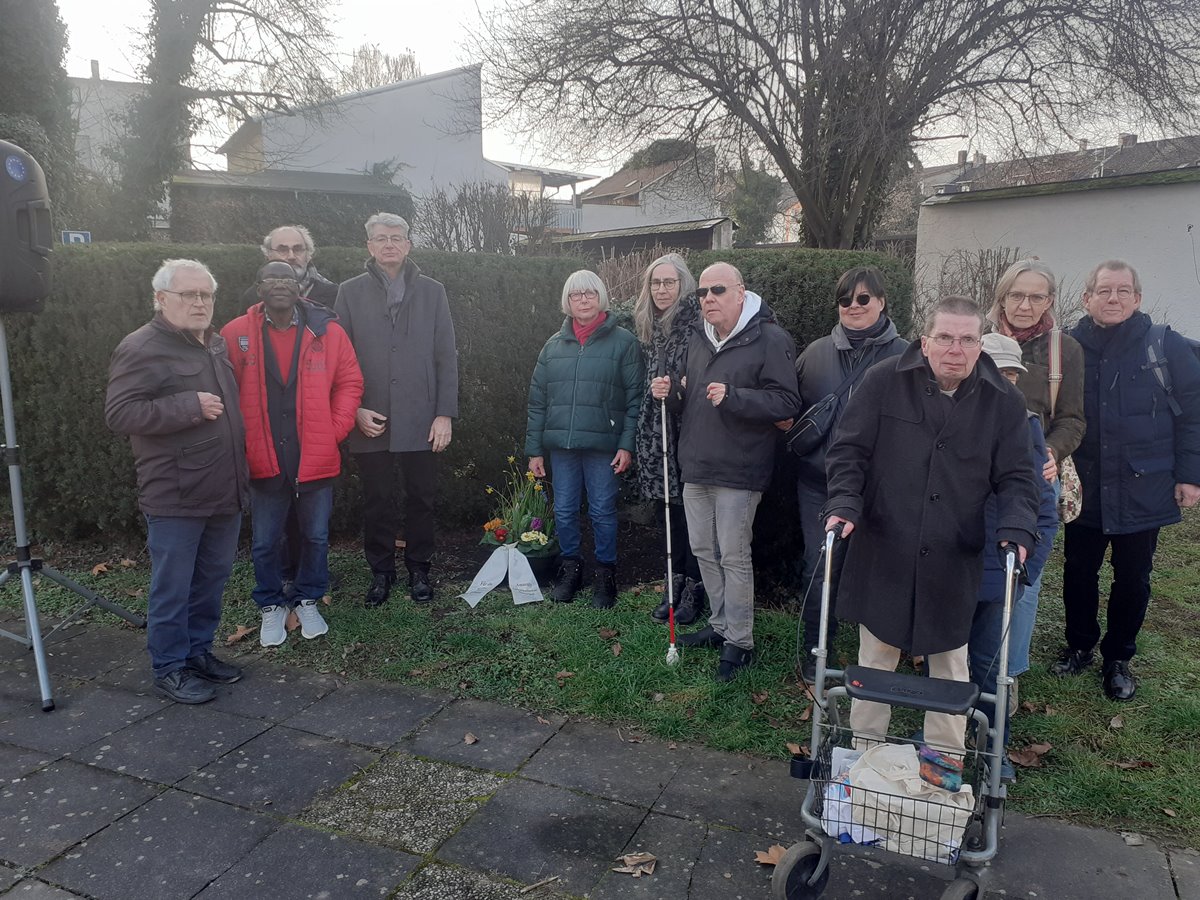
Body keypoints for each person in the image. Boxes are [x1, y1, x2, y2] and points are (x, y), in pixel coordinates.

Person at [824, 296, 1037, 759]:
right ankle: (864, 759)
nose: (955, 349)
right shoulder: (884, 381)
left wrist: (1018, 528)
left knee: (950, 664)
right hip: (885, 543)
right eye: (945, 337)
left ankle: (943, 765)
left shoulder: (1004, 401)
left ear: (980, 346)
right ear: (926, 342)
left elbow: (1019, 476)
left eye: (966, 339)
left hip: (953, 551)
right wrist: (844, 502)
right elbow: (848, 452)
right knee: (875, 657)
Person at [1053, 260, 1200, 701]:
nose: (1112, 298)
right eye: (1103, 291)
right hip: (1086, 485)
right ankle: (1080, 646)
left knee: (1133, 577)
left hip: (1144, 484)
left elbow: (1193, 414)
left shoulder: (1164, 345)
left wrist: (1191, 476)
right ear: (1087, 298)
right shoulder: (1068, 346)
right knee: (1079, 571)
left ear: (1137, 298)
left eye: (1122, 291)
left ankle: (1119, 657)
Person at [105, 259, 250, 705]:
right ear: (161, 299)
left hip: (223, 490)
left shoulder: (216, 345)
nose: (200, 302)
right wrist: (187, 405)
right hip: (175, 494)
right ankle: (169, 667)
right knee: (173, 585)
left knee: (211, 578)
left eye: (206, 294)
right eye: (189, 294)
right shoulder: (141, 347)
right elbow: (120, 414)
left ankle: (198, 653)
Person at [650, 263, 799, 681]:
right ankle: (720, 626)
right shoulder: (700, 337)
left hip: (740, 468)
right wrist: (673, 394)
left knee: (733, 556)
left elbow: (787, 402)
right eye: (702, 292)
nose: (708, 299)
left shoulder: (769, 337)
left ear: (740, 291)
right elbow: (694, 400)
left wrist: (736, 398)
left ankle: (741, 641)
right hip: (696, 465)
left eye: (717, 290)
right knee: (703, 552)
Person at [222, 262, 363, 648]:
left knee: (315, 536)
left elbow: (350, 381)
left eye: (287, 278)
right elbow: (224, 392)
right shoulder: (235, 334)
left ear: (300, 286)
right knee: (266, 540)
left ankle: (307, 598)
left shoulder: (327, 332)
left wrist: (332, 430)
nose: (280, 284)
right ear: (258, 287)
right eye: (271, 278)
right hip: (264, 455)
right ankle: (271, 604)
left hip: (314, 454)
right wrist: (241, 439)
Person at [775, 266, 907, 681]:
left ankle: (885, 659)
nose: (853, 306)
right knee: (821, 567)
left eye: (863, 298)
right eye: (845, 299)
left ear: (882, 302)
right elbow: (788, 405)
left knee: (882, 574)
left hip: (881, 488)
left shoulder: (906, 356)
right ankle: (815, 652)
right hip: (820, 485)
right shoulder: (814, 353)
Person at [335, 213, 459, 607]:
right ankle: (381, 572)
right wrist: (353, 410)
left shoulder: (433, 291)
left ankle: (420, 569)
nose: (390, 244)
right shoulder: (349, 292)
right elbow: (339, 359)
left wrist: (444, 413)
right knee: (377, 499)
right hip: (370, 418)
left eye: (397, 237)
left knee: (421, 496)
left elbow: (445, 356)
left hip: (421, 417)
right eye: (381, 238)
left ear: (408, 244)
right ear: (369, 246)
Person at [987, 259, 1085, 696]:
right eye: (1016, 295)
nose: (1025, 305)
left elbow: (1072, 419)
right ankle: (959, 662)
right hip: (973, 470)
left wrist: (1051, 449)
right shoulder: (976, 335)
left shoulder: (1064, 350)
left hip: (1032, 472)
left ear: (1049, 301)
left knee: (1023, 576)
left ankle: (1008, 673)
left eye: (1036, 296)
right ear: (1002, 297)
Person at [968, 333, 1059, 782]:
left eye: (1009, 373)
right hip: (946, 567)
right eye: (991, 368)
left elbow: (1044, 509)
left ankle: (992, 749)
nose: (1000, 380)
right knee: (944, 662)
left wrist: (1025, 571)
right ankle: (942, 745)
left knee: (989, 665)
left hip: (996, 571)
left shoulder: (1026, 424)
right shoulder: (947, 417)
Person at [526, 270, 643, 607]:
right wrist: (534, 449)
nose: (583, 300)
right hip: (562, 447)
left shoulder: (623, 342)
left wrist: (626, 443)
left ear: (600, 297)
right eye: (576, 295)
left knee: (602, 511)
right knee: (563, 511)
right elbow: (537, 401)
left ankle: (605, 574)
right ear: (568, 301)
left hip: (603, 447)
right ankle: (571, 569)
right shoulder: (553, 346)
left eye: (590, 293)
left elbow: (635, 397)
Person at [631, 253, 705, 624]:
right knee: (669, 513)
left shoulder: (697, 324)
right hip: (655, 432)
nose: (662, 290)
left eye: (669, 283)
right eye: (656, 283)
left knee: (692, 514)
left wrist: (678, 388)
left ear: (683, 285)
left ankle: (695, 588)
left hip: (686, 430)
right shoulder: (648, 327)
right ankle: (672, 583)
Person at [240, 225, 339, 308]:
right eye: (282, 250)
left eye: (298, 249)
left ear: (308, 255)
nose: (291, 256)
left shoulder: (334, 295)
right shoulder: (253, 297)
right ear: (268, 255)